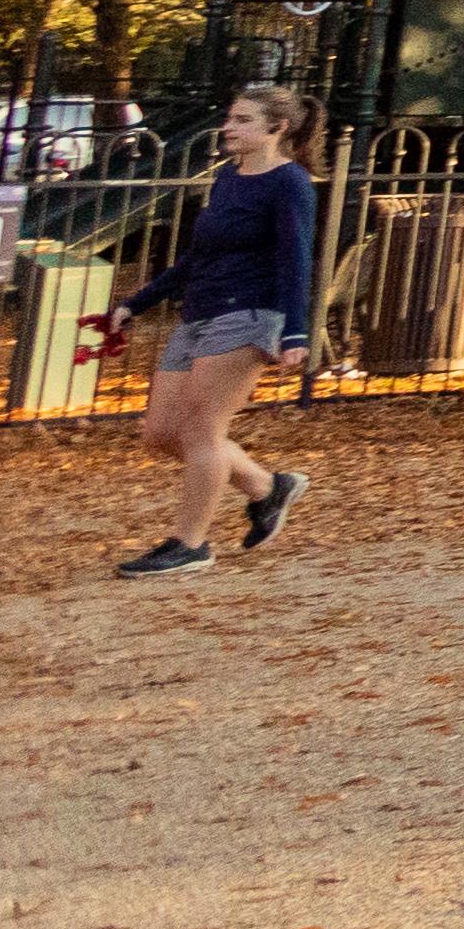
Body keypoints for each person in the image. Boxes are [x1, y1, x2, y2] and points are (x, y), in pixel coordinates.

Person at [120, 84, 321, 581]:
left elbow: (296, 260)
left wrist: (296, 333)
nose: (228, 128)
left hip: (250, 315)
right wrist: (135, 303)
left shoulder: (290, 182)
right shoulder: (229, 179)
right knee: (161, 434)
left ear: (277, 128)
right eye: (230, 118)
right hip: (199, 312)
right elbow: (199, 256)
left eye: (242, 120)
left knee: (203, 433)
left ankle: (190, 544)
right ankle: (264, 486)